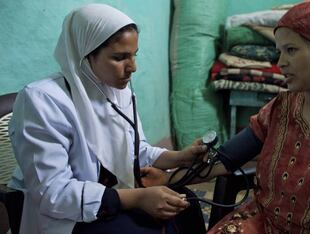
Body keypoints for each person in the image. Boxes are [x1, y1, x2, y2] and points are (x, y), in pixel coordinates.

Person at [143, 1, 310, 233]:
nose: (280, 62)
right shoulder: (282, 107)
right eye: (279, 50)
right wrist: (168, 178)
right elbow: (227, 157)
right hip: (261, 223)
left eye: (291, 50)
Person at [8, 3, 207, 234]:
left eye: (134, 55)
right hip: (68, 216)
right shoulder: (42, 101)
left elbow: (134, 150)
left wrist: (179, 158)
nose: (132, 67)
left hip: (118, 195)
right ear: (85, 54)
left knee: (187, 204)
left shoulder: (119, 93)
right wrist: (138, 197)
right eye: (119, 57)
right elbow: (53, 193)